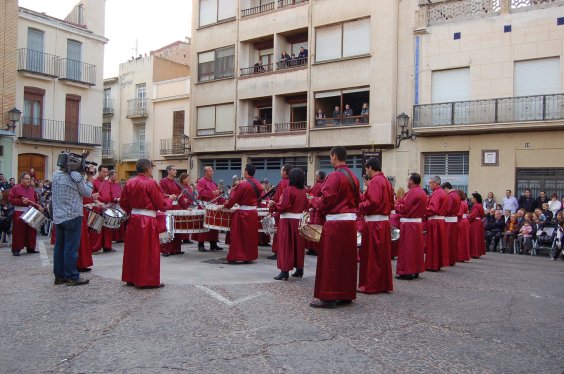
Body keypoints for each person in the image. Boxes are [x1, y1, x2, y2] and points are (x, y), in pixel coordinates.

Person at [309, 146, 360, 309]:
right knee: (346, 260)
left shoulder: (334, 176)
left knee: (330, 260)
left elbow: (325, 201)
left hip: (335, 223)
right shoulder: (354, 177)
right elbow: (357, 200)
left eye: (330, 157)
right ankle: (346, 294)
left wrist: (312, 201)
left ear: (335, 157)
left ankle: (329, 297)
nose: (330, 160)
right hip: (350, 223)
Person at [120, 159, 167, 288]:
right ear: (147, 169)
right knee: (148, 251)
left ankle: (130, 277)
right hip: (147, 220)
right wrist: (168, 202)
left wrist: (132, 210)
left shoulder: (129, 182)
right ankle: (147, 280)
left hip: (134, 218)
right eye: (151, 168)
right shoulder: (151, 183)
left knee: (132, 249)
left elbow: (123, 203)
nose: (152, 170)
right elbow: (159, 204)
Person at [51, 162, 94, 286]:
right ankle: (72, 276)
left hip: (59, 216)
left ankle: (59, 276)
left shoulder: (56, 175)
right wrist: (89, 178)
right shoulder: (75, 176)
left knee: (59, 247)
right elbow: (87, 193)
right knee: (71, 248)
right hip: (72, 215)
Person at [358, 158, 394, 294]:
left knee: (371, 255)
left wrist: (360, 206)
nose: (366, 171)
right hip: (383, 222)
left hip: (374, 223)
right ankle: (382, 284)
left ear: (371, 167)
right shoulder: (386, 182)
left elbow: (373, 202)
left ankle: (370, 285)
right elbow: (391, 203)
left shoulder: (375, 182)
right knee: (382, 255)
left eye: (366, 169)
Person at [269, 168, 307, 280]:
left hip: (287, 221)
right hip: (299, 221)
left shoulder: (288, 190)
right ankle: (299, 269)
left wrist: (274, 205)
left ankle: (284, 271)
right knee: (298, 247)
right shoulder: (304, 191)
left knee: (286, 246)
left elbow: (283, 206)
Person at [221, 163, 262, 263]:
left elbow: (233, 199)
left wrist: (224, 205)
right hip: (253, 213)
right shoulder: (258, 185)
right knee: (250, 237)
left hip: (243, 213)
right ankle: (248, 257)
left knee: (237, 236)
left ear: (246, 172)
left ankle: (235, 257)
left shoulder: (243, 184)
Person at [395, 173, 427, 279]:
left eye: (408, 180)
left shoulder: (412, 192)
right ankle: (415, 269)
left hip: (409, 223)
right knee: (416, 248)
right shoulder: (422, 192)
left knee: (407, 248)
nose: (407, 182)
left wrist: (396, 206)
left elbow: (405, 208)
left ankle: (407, 271)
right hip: (417, 223)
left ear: (412, 181)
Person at [8, 172, 41, 256]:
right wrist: (21, 201)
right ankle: (16, 249)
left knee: (31, 231)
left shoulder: (31, 189)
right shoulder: (15, 188)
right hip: (20, 211)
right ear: (21, 179)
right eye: (26, 178)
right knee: (19, 231)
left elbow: (36, 200)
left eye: (29, 179)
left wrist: (39, 206)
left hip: (31, 211)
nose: (28, 180)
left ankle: (31, 248)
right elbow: (11, 199)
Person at [193, 166, 223, 252]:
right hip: (204, 205)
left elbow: (217, 195)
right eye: (210, 171)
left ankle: (213, 244)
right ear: (205, 172)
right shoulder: (201, 181)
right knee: (203, 225)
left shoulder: (213, 183)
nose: (212, 172)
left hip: (213, 205)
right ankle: (201, 244)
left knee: (214, 225)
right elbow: (201, 192)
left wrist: (220, 195)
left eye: (212, 171)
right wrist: (212, 192)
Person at [268, 163, 293, 260]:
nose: (280, 172)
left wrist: (272, 207)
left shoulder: (283, 182)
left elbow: (278, 198)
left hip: (281, 212)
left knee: (279, 233)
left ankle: (278, 251)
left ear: (285, 172)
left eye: (282, 170)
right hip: (293, 214)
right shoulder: (293, 182)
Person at [159, 165, 183, 257]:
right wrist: (169, 196)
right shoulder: (163, 181)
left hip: (176, 207)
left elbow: (179, 195)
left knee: (177, 228)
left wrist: (184, 206)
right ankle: (166, 250)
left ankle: (176, 249)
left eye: (176, 169)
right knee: (168, 228)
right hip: (168, 207)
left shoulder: (176, 182)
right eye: (174, 170)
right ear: (169, 171)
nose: (176, 171)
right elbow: (160, 193)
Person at [425, 176, 448, 271]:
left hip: (435, 221)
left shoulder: (437, 193)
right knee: (438, 243)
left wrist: (423, 209)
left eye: (430, 183)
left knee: (433, 243)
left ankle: (433, 264)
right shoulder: (442, 192)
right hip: (440, 221)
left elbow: (433, 209)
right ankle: (437, 263)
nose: (429, 185)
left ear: (435, 183)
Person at [99, 170, 126, 243]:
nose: (116, 177)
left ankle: (120, 237)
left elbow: (120, 192)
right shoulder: (107, 183)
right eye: (115, 176)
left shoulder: (117, 184)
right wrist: (114, 199)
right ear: (111, 176)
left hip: (118, 204)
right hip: (110, 205)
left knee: (120, 221)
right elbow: (107, 194)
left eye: (117, 176)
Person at [304, 170, 326, 256]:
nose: (315, 177)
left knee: (313, 229)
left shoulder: (319, 185)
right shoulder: (324, 184)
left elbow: (312, 196)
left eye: (316, 176)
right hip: (320, 210)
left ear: (318, 177)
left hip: (315, 210)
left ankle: (314, 249)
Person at [90, 165, 110, 254]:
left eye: (106, 172)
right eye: (103, 172)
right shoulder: (94, 182)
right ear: (99, 172)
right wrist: (98, 202)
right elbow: (91, 194)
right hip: (97, 207)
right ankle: (94, 248)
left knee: (107, 229)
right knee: (96, 229)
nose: (105, 173)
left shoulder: (107, 182)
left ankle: (107, 246)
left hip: (107, 207)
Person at [442, 182, 461, 266]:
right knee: (452, 241)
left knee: (448, 241)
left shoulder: (450, 196)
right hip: (454, 220)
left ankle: (448, 259)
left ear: (446, 188)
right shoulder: (456, 195)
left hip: (448, 220)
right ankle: (452, 259)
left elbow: (448, 209)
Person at [468, 192, 486, 258]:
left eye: (472, 198)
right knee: (478, 238)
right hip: (478, 222)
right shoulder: (479, 205)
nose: (471, 199)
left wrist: (467, 217)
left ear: (475, 199)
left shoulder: (476, 206)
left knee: (474, 238)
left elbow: (472, 216)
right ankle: (477, 252)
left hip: (475, 223)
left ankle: (474, 253)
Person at [456, 190, 471, 262]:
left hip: (461, 221)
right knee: (464, 239)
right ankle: (464, 256)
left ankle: (460, 256)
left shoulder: (460, 203)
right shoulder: (464, 202)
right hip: (465, 221)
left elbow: (459, 214)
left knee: (460, 239)